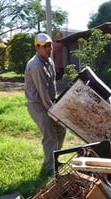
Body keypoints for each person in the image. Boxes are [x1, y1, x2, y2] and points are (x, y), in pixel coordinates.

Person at [24, 33, 66, 175]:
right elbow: (43, 93)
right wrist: (54, 111)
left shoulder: (49, 61)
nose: (49, 49)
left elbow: (51, 86)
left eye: (50, 46)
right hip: (38, 106)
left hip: (49, 102)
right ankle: (49, 168)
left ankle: (55, 158)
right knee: (50, 136)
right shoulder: (36, 65)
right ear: (37, 47)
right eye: (45, 46)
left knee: (61, 130)